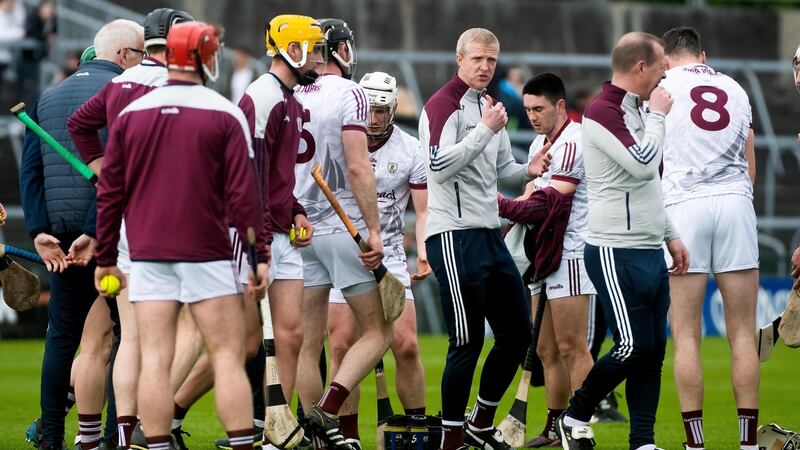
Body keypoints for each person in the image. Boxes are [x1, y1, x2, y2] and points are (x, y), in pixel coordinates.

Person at [93, 21, 268, 450]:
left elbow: (110, 194)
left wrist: (105, 257)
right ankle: (244, 442)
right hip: (206, 252)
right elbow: (245, 196)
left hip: (147, 253)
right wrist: (259, 253)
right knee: (227, 357)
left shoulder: (131, 115)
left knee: (155, 357)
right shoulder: (224, 112)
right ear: (207, 59)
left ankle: (151, 444)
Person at [67, 8, 200, 449]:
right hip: (171, 218)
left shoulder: (119, 83)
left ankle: (125, 434)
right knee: (188, 330)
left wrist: (100, 169)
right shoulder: (179, 83)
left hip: (124, 220)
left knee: (133, 336)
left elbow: (79, 124)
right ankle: (151, 424)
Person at [555, 32, 689, 450]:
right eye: (661, 64)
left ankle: (642, 441)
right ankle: (576, 414)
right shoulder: (602, 110)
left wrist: (670, 234)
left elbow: (649, 187)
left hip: (648, 247)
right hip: (613, 249)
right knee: (631, 346)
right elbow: (642, 165)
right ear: (639, 67)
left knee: (652, 352)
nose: (666, 73)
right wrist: (659, 116)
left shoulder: (634, 109)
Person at [419, 27, 550, 450]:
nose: (485, 67)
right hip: (454, 238)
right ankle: (451, 438)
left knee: (516, 333)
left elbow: (503, 171)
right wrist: (483, 130)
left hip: (488, 234)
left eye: (492, 60)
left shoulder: (489, 105)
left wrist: (531, 171)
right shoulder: (443, 105)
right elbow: (437, 167)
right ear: (459, 59)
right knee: (467, 341)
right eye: (477, 59)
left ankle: (479, 423)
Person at [18, 18, 143, 450]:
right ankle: (113, 437)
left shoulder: (47, 96)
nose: (142, 64)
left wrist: (39, 231)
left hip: (59, 235)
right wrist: (94, 230)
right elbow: (115, 172)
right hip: (108, 236)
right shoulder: (123, 94)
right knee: (124, 338)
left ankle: (52, 437)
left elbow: (30, 172)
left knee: (62, 339)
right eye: (141, 55)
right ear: (124, 55)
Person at [209, 14, 325, 450]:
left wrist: (294, 210)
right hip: (252, 233)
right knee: (243, 341)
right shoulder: (262, 97)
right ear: (289, 48)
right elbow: (247, 174)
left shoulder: (291, 101)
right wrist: (258, 242)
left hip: (281, 230)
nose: (317, 56)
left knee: (291, 334)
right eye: (311, 48)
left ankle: (275, 429)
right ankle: (168, 411)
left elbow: (279, 178)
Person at [292, 18, 392, 450]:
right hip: (340, 225)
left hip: (299, 230)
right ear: (338, 49)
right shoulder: (351, 92)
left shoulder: (292, 92)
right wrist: (373, 229)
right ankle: (328, 410)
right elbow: (356, 166)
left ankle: (322, 441)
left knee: (308, 342)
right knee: (378, 332)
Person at [658, 27, 759, 450]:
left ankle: (695, 445)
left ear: (666, 59)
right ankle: (749, 444)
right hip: (735, 203)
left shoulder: (662, 89)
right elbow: (750, 163)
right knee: (742, 332)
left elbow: (650, 158)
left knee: (685, 333)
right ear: (703, 54)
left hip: (684, 207)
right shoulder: (735, 87)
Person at [325, 71, 431, 447]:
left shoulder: (410, 149)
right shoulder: (338, 140)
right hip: (343, 252)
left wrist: (423, 250)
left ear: (392, 110)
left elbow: (424, 210)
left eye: (382, 111)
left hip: (391, 258)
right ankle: (348, 436)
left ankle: (417, 429)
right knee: (341, 346)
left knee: (406, 344)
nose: (374, 119)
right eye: (369, 110)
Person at [496, 73, 596, 448]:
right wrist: (506, 211)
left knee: (572, 347)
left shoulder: (574, 140)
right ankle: (555, 427)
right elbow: (528, 193)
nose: (533, 116)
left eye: (539, 109)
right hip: (543, 253)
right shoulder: (541, 141)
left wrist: (501, 206)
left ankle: (581, 426)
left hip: (569, 252)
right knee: (545, 350)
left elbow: (550, 203)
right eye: (527, 109)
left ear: (558, 106)